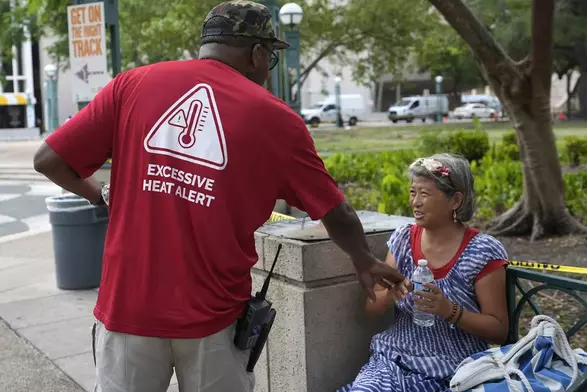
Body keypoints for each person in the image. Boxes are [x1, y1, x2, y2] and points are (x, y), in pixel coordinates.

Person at [32, 1, 407, 391]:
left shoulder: (133, 84)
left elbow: (49, 161)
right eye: (270, 58)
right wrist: (363, 259)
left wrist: (100, 195)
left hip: (128, 308)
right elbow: (337, 210)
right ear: (257, 53)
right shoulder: (275, 118)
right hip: (214, 319)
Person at [338, 153, 510, 392]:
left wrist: (448, 310)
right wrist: (391, 295)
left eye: (425, 194)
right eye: (412, 192)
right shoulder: (403, 239)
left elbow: (499, 330)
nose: (415, 202)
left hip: (453, 371)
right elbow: (371, 307)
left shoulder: (482, 251)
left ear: (455, 201)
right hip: (392, 361)